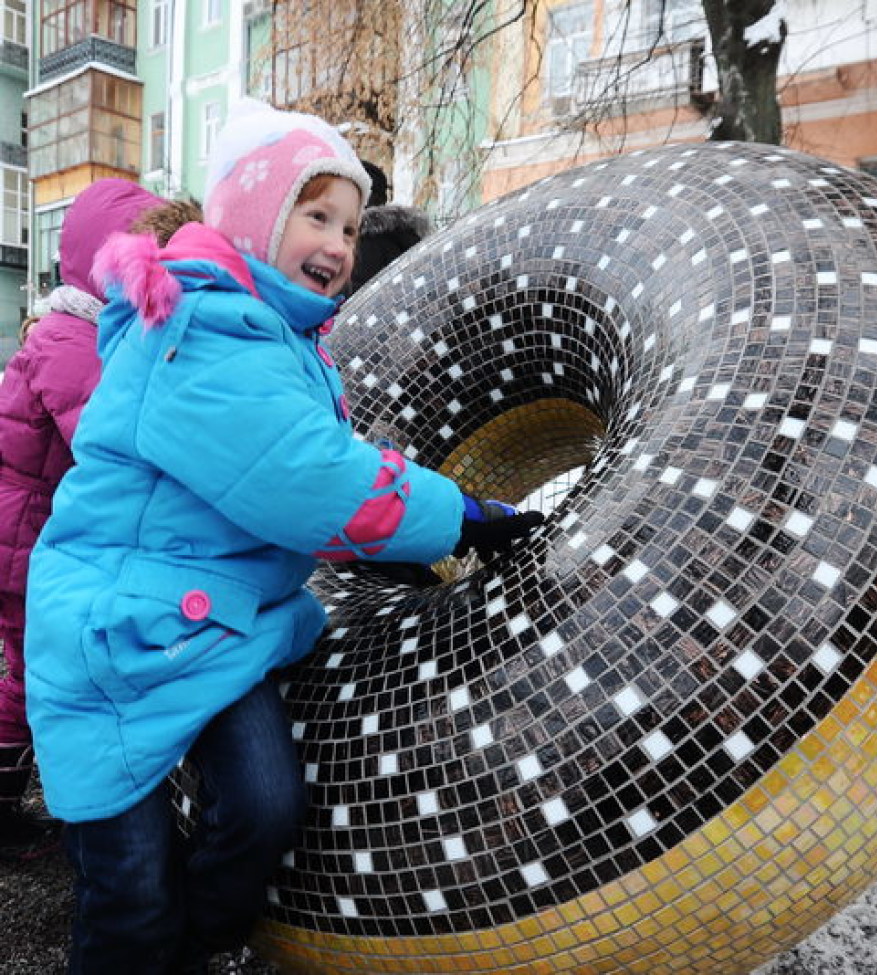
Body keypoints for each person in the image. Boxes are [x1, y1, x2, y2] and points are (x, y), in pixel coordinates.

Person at [24, 99, 541, 974]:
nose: (340, 243)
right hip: (113, 638)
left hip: (219, 622)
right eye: (317, 215)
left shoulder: (286, 339)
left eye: (348, 222)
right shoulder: (198, 332)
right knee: (131, 886)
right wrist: (455, 512)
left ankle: (197, 946)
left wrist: (399, 540)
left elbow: (300, 480)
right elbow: (309, 479)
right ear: (256, 221)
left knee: (265, 803)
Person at [0, 178, 165, 859]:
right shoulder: (75, 340)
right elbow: (104, 432)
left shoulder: (69, 328)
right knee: (38, 674)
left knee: (27, 669)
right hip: (25, 546)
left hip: (26, 535)